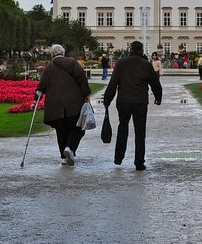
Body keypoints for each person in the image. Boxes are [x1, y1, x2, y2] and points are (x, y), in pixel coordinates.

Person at [104, 40, 162, 170]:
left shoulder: (121, 63)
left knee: (122, 127)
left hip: (124, 101)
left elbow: (113, 83)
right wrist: (158, 97)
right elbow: (155, 83)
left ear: (130, 50)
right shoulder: (146, 65)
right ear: (141, 51)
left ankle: (118, 158)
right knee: (140, 132)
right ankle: (139, 162)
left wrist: (107, 100)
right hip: (140, 102)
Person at [35, 44, 92, 166]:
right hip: (73, 103)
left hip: (55, 106)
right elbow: (82, 78)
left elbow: (41, 87)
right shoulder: (72, 63)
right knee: (78, 128)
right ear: (63, 53)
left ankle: (64, 157)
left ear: (52, 55)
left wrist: (36, 100)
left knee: (61, 131)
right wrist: (86, 94)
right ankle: (70, 149)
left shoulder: (49, 68)